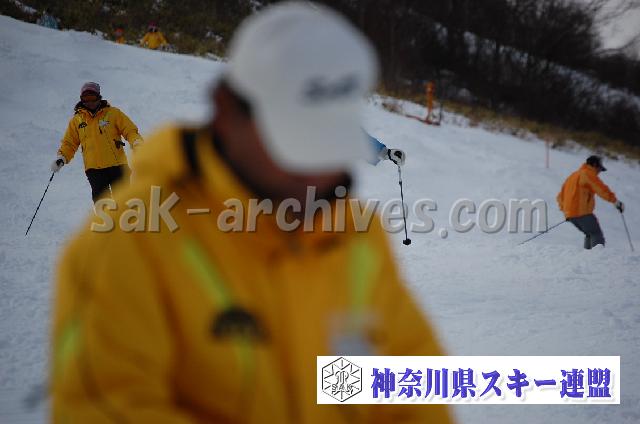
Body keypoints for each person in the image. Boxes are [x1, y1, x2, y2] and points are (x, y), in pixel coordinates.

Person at [50, 3, 452, 423]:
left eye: (330, 138)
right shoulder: (131, 244)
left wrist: (383, 152)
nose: (314, 165)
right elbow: (107, 405)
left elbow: (404, 389)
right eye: (289, 135)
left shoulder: (353, 237)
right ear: (226, 112)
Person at [51, 82, 144, 202]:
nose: (89, 102)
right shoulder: (77, 121)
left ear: (99, 97)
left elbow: (129, 130)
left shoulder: (113, 113)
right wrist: (62, 157)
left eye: (92, 98)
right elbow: (69, 143)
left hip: (117, 165)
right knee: (102, 204)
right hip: (94, 170)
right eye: (86, 99)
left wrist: (136, 142)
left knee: (124, 201)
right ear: (81, 100)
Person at [557, 155, 624, 249]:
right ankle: (597, 255)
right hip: (581, 212)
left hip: (570, 214)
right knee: (596, 233)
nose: (599, 172)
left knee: (590, 233)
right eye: (599, 169)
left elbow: (560, 197)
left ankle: (588, 256)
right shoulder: (587, 174)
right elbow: (600, 189)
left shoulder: (573, 176)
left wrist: (567, 211)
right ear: (595, 165)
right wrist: (615, 201)